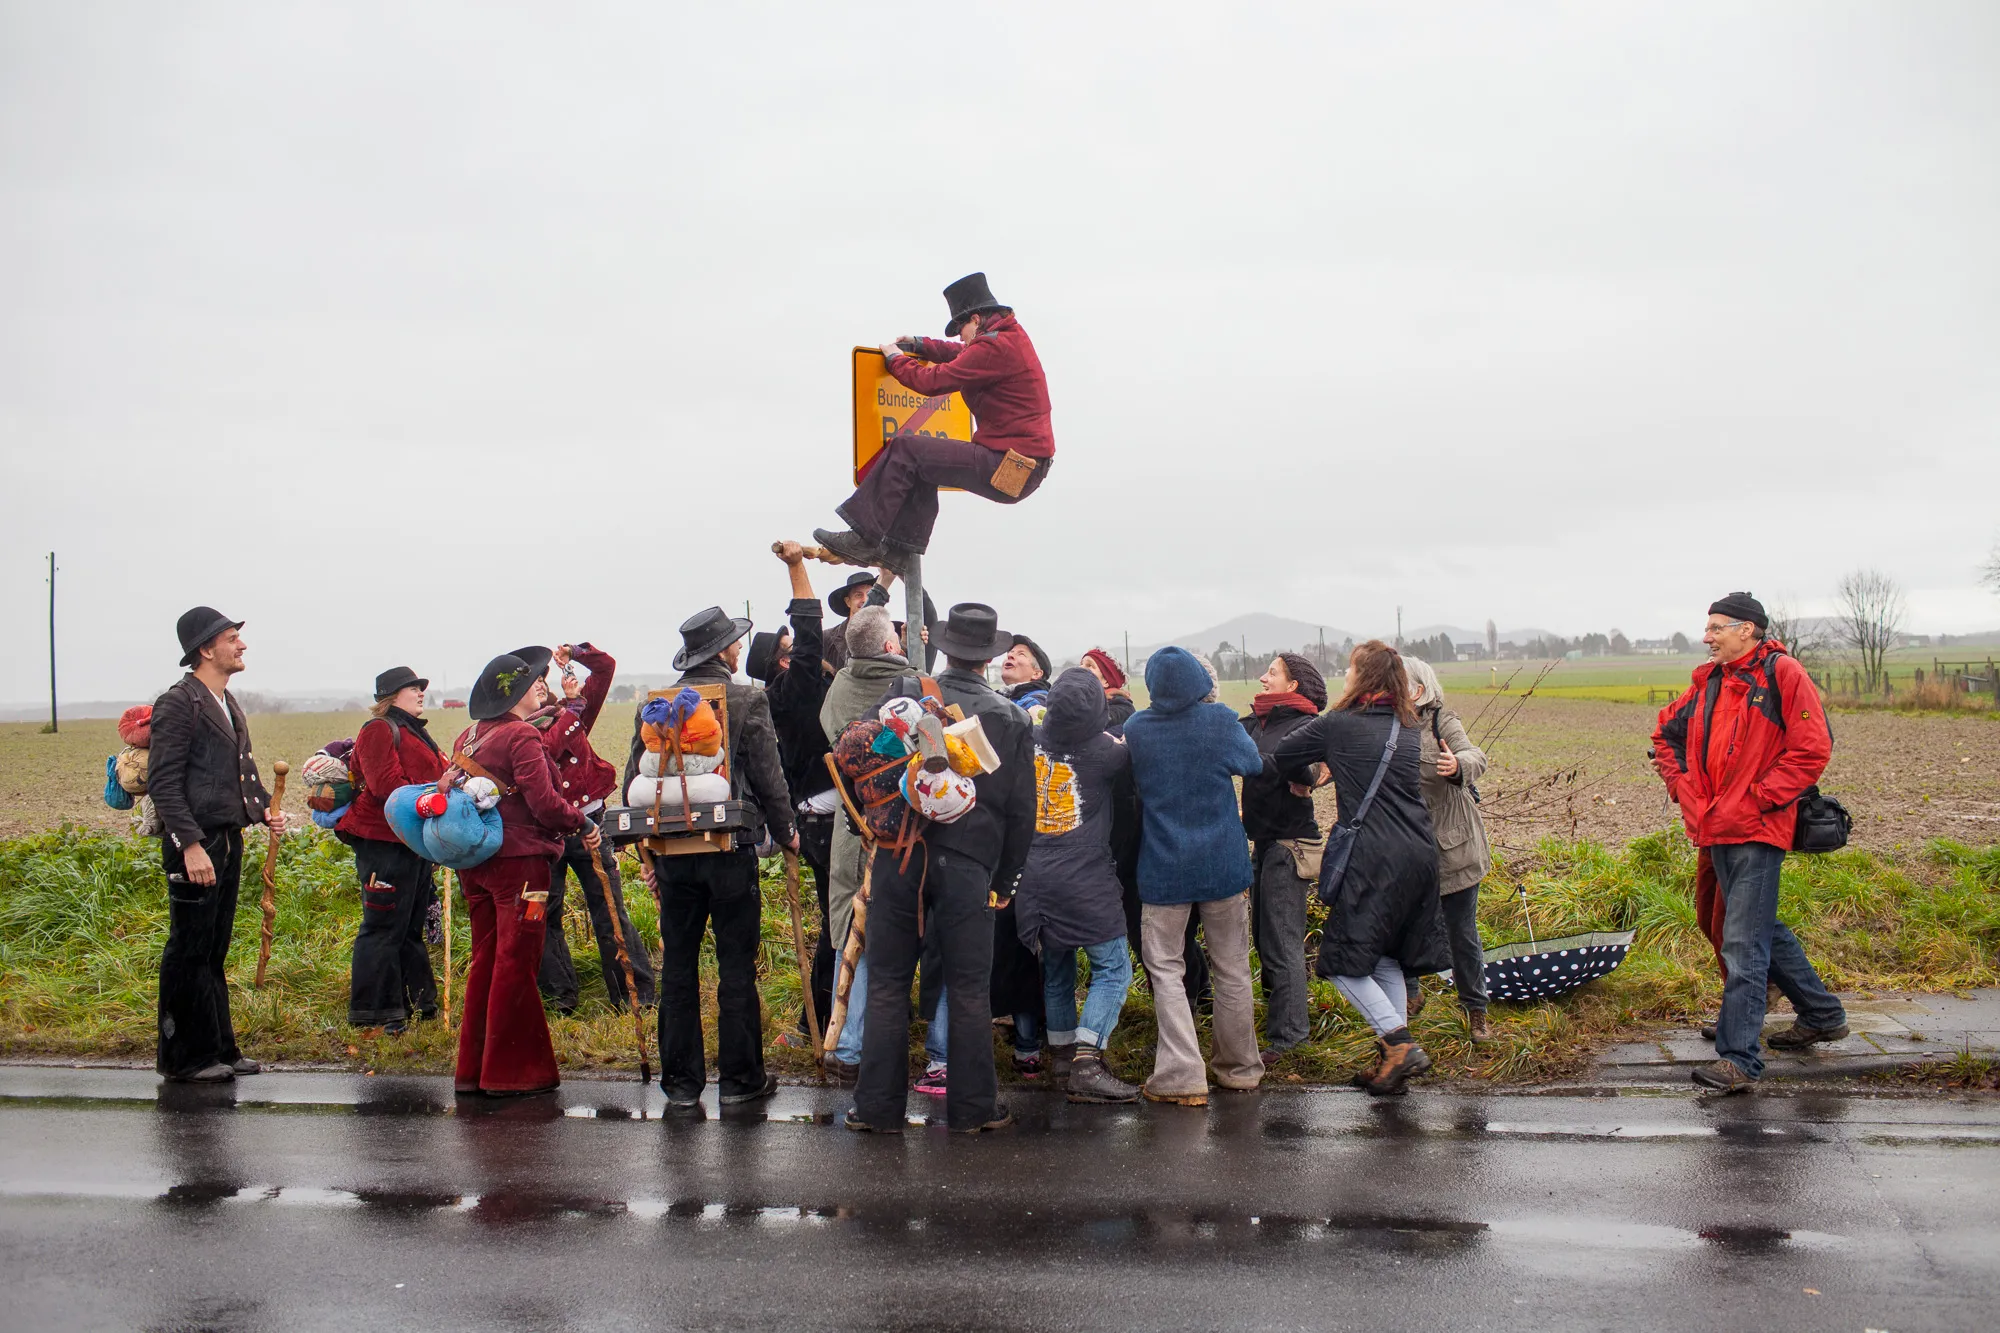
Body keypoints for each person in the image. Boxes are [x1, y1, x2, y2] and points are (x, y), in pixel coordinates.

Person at [847, 603, 1035, 1135]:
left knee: (886, 981)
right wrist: (1004, 881)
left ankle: (877, 1110)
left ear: (946, 647)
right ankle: (975, 1109)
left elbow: (863, 762)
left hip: (898, 853)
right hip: (971, 864)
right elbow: (1023, 814)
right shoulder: (1013, 718)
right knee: (971, 986)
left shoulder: (905, 694)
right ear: (990, 657)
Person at [1651, 592, 1846, 1093]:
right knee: (1737, 923)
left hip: (1757, 829)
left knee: (1744, 942)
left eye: (1716, 628)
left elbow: (1812, 748)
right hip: (1714, 826)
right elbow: (1664, 735)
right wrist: (1682, 787)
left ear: (1747, 631)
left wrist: (1762, 797)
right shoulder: (1710, 683)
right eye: (1708, 627)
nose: (1707, 637)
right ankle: (1822, 1014)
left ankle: (1739, 1057)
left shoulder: (1783, 674)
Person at [625, 607, 796, 1110]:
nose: (740, 650)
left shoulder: (655, 706)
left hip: (672, 854)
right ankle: (742, 1082)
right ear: (723, 652)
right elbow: (770, 776)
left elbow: (635, 781)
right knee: (735, 966)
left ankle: (680, 1085)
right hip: (730, 850)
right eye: (734, 645)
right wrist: (787, 833)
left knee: (677, 966)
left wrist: (648, 858)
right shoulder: (746, 699)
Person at [1273, 642, 1450, 1097]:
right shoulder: (1406, 726)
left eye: (1350, 670)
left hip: (1374, 858)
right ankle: (1391, 1069)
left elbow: (1286, 751)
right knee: (1387, 957)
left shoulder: (1338, 724)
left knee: (1341, 963)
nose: (1345, 676)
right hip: (1419, 852)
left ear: (1364, 678)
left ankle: (1399, 1044)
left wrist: (1310, 772)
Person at [813, 273, 1053, 570]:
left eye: (960, 329)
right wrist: (921, 345)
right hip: (1021, 465)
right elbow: (962, 354)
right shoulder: (1007, 338)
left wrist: (895, 360)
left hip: (1011, 464)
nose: (959, 337)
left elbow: (931, 381)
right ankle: (900, 548)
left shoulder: (994, 347)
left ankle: (863, 539)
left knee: (906, 450)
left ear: (976, 320)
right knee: (923, 464)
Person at [1120, 646, 1266, 1106]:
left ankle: (1182, 1074)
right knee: (1232, 968)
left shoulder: (1136, 728)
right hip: (1223, 865)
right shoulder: (1221, 720)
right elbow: (1254, 764)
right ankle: (1239, 1068)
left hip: (1163, 869)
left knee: (1165, 969)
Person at [148, 607, 287, 1083]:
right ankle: (184, 1060)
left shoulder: (226, 701)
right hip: (196, 843)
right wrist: (189, 844)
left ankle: (219, 1051)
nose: (242, 645)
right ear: (206, 649)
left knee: (213, 950)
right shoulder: (179, 702)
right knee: (189, 948)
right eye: (232, 638)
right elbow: (165, 784)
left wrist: (265, 807)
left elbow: (233, 775)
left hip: (225, 840)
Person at [450, 647, 589, 1097]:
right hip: (522, 865)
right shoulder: (521, 738)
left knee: (485, 961)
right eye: (535, 681)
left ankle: (473, 1071)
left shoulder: (468, 737)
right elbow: (545, 804)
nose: (542, 685)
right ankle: (512, 1073)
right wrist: (581, 823)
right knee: (517, 963)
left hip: (476, 864)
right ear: (518, 692)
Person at [1015, 668, 1141, 1102]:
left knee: (1057, 967)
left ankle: (1063, 1057)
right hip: (1084, 877)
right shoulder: (1109, 753)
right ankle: (1088, 1061)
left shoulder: (1028, 740)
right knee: (1113, 967)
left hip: (1033, 877)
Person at [816, 604, 920, 1084]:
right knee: (881, 936)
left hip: (846, 825)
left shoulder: (839, 686)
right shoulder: (909, 688)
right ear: (891, 646)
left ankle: (842, 1037)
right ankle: (857, 1044)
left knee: (845, 929)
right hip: (895, 829)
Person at [531, 642, 655, 1016]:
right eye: (530, 681)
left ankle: (635, 996)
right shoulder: (520, 729)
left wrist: (576, 652)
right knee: (547, 914)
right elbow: (549, 749)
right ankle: (560, 998)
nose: (538, 684)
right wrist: (573, 707)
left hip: (590, 828)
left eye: (541, 677)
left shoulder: (570, 710)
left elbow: (605, 669)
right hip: (546, 833)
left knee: (609, 909)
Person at [751, 543, 838, 1044]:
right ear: (785, 664)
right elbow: (809, 627)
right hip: (826, 821)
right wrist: (797, 569)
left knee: (835, 918)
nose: (804, 649)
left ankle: (820, 1022)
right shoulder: (799, 688)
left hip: (809, 818)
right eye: (793, 649)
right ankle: (817, 1024)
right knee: (835, 922)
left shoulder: (776, 698)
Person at [338, 665, 444, 1033]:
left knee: (408, 924)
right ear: (393, 696)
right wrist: (434, 796)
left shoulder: (414, 731)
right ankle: (376, 1012)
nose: (421, 693)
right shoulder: (379, 730)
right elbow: (387, 787)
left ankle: (418, 1004)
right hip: (381, 842)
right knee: (382, 925)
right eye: (413, 688)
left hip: (410, 841)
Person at [1239, 652, 1328, 1063]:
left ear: (1292, 686)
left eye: (1271, 672)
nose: (1262, 677)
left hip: (1290, 846)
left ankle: (1291, 1039)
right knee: (1264, 939)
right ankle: (1278, 1025)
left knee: (1282, 943)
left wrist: (1257, 762)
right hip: (1263, 841)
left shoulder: (1307, 725)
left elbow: (1310, 771)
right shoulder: (1260, 722)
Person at [1402, 657, 1495, 1043]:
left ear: (1418, 691)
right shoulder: (1384, 724)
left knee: (1461, 935)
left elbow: (1476, 757)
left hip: (1452, 847)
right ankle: (1410, 995)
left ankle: (1476, 1011)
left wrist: (1457, 764)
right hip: (1406, 849)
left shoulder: (1441, 720)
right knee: (1399, 929)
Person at [819, 570, 878, 674]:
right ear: (847, 601)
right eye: (858, 595)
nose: (865, 600)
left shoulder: (888, 634)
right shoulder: (826, 638)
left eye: (869, 594)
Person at [1000, 634, 1052, 706]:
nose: (1009, 655)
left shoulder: (1037, 702)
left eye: (1021, 654)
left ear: (1036, 674)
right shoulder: (1001, 697)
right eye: (1011, 652)